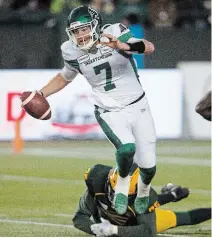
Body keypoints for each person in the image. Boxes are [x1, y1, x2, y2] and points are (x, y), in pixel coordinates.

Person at [38, 5, 156, 215]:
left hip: (138, 105)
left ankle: (144, 190)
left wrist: (122, 45)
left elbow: (148, 47)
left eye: (84, 29)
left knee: (148, 166)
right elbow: (65, 76)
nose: (81, 35)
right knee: (127, 148)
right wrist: (41, 93)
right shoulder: (70, 50)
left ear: (96, 26)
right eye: (76, 31)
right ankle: (121, 184)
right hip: (108, 109)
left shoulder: (116, 32)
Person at [72, 163, 211, 237]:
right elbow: (79, 217)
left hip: (135, 221)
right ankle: (174, 194)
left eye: (125, 195)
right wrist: (94, 229)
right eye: (115, 192)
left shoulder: (146, 196)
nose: (117, 200)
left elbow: (148, 232)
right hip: (115, 218)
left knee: (182, 218)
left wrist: (114, 231)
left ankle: (174, 194)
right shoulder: (97, 183)